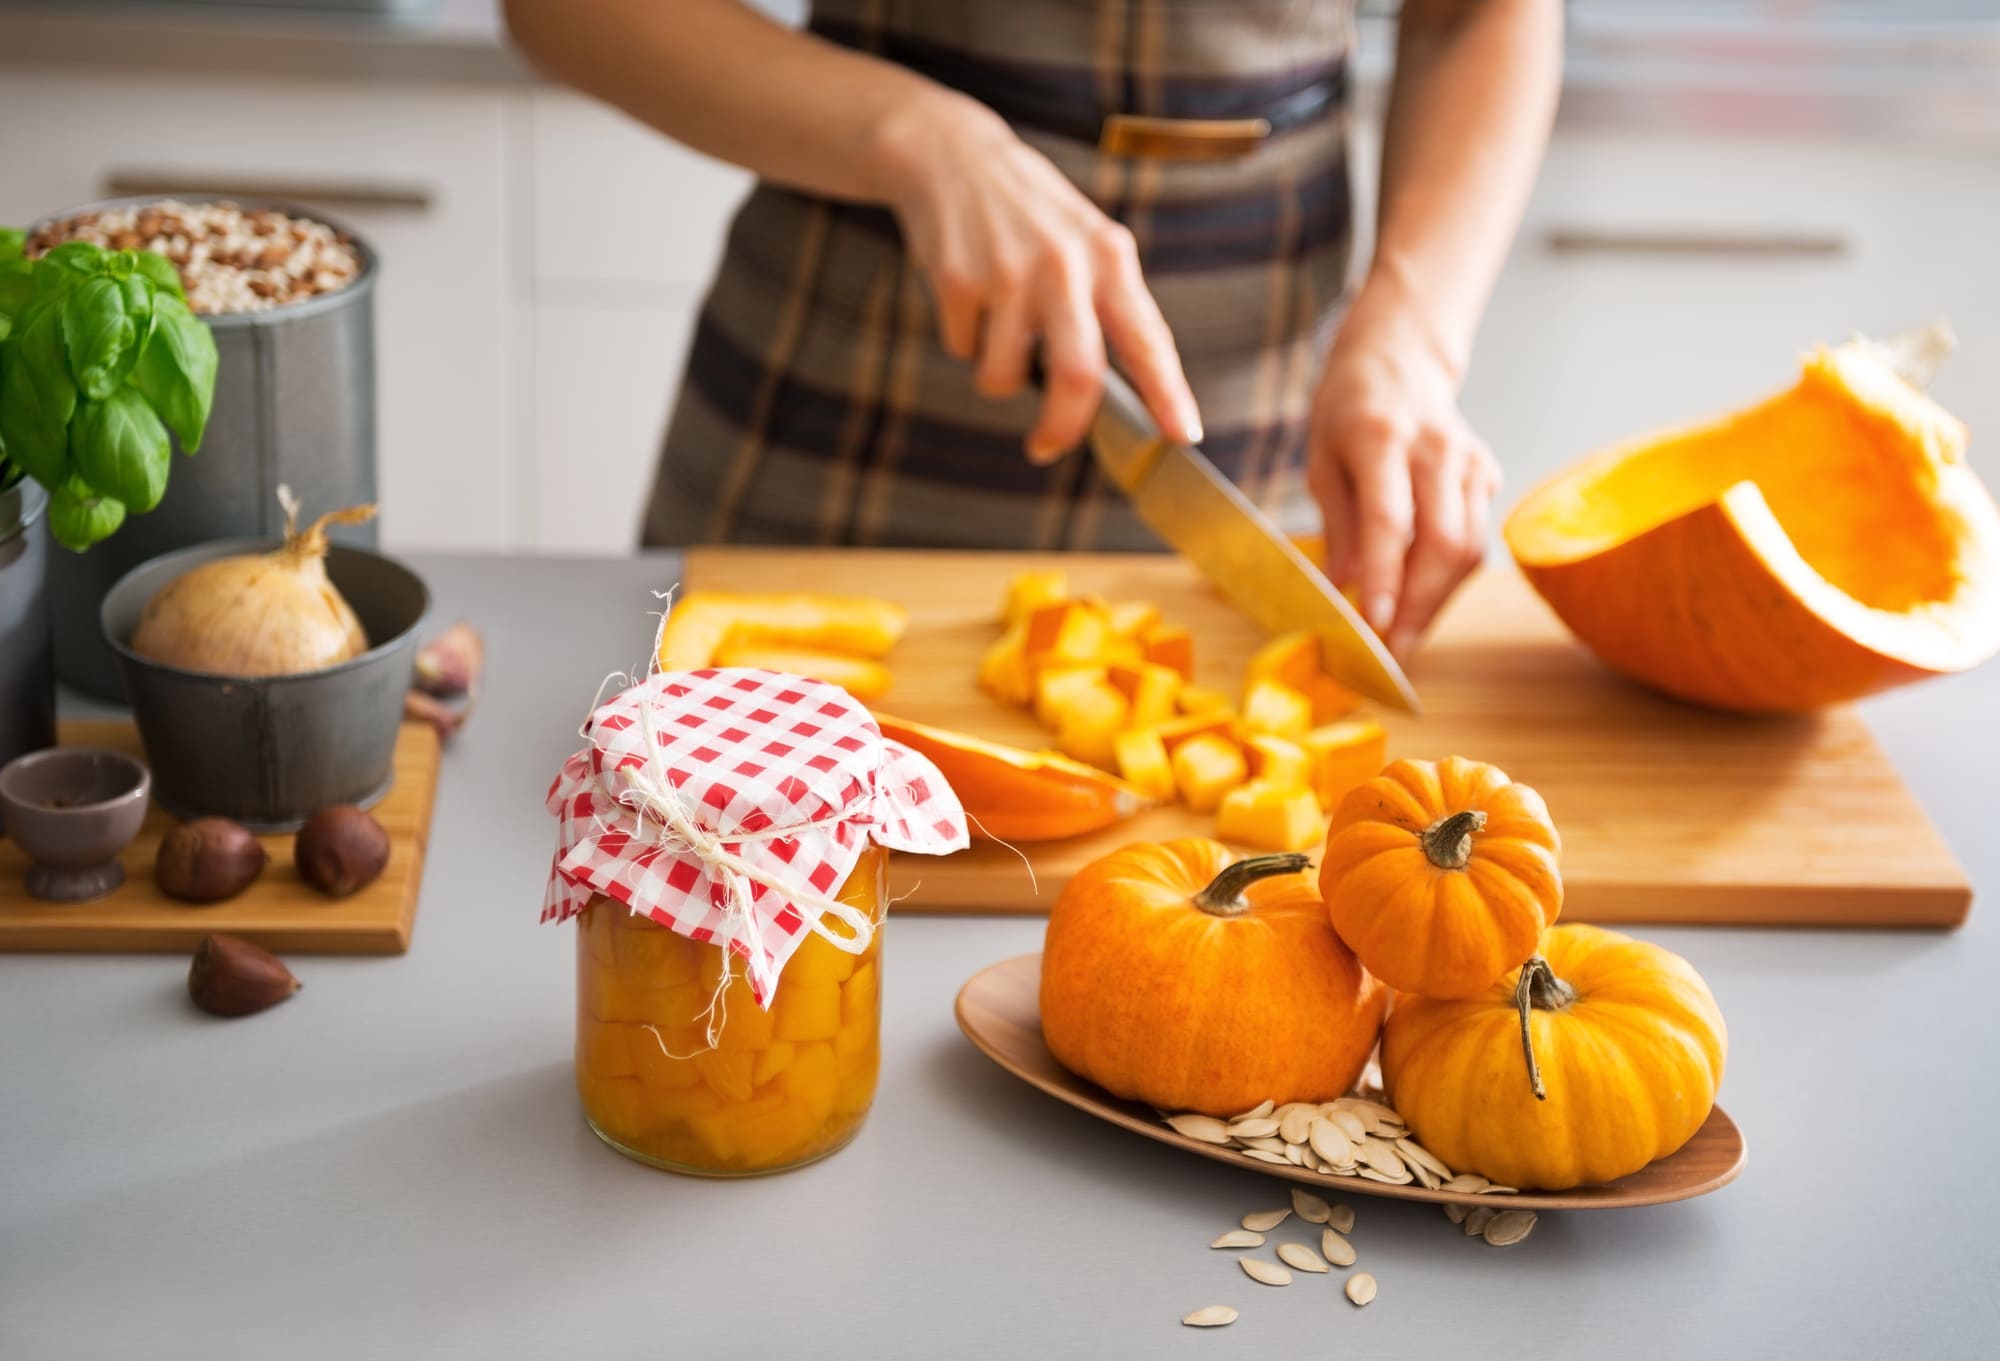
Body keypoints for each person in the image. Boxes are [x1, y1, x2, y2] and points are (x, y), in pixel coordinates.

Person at [505, 0, 1560, 657]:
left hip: (1269, 420)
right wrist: (920, 138)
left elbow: (1481, 13)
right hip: (827, 412)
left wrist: (1411, 331)